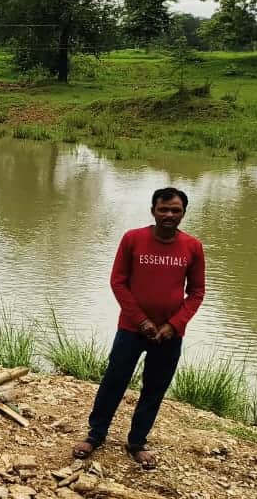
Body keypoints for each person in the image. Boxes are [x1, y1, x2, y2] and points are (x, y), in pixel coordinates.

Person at [72, 187, 205, 471]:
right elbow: (118, 281)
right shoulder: (133, 239)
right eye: (164, 209)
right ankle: (95, 435)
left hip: (169, 335)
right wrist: (140, 320)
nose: (169, 215)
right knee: (113, 382)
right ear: (153, 210)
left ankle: (137, 442)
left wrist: (174, 325)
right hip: (132, 329)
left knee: (154, 388)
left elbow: (196, 292)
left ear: (183, 213)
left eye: (175, 210)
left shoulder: (192, 246)